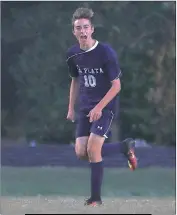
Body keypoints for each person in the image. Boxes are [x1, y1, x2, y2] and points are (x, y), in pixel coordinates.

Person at [66, 7, 137, 206]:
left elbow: (117, 86)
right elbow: (75, 81)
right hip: (84, 108)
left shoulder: (105, 52)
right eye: (78, 28)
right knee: (81, 152)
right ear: (74, 31)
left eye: (86, 27)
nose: (82, 31)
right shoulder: (72, 54)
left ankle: (95, 199)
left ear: (92, 29)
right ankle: (124, 146)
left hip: (105, 107)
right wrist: (71, 107)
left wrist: (99, 107)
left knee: (93, 149)